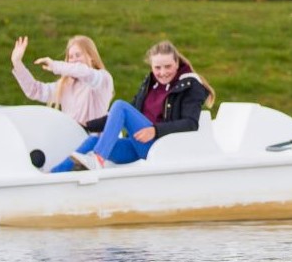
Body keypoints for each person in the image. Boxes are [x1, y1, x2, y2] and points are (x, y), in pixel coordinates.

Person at [55, 40, 215, 171]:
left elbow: (191, 123)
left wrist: (155, 130)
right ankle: (53, 175)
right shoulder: (150, 83)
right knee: (93, 141)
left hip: (162, 149)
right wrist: (88, 125)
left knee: (119, 105)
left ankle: (98, 159)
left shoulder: (190, 85)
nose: (163, 72)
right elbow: (118, 116)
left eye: (168, 67)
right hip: (138, 145)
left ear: (177, 63)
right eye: (157, 68)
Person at [11, 35, 114, 128]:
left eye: (78, 55)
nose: (73, 60)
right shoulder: (65, 85)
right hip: (71, 141)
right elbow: (35, 90)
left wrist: (55, 65)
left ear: (91, 56)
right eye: (70, 57)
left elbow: (84, 72)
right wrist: (17, 63)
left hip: (94, 143)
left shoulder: (102, 79)